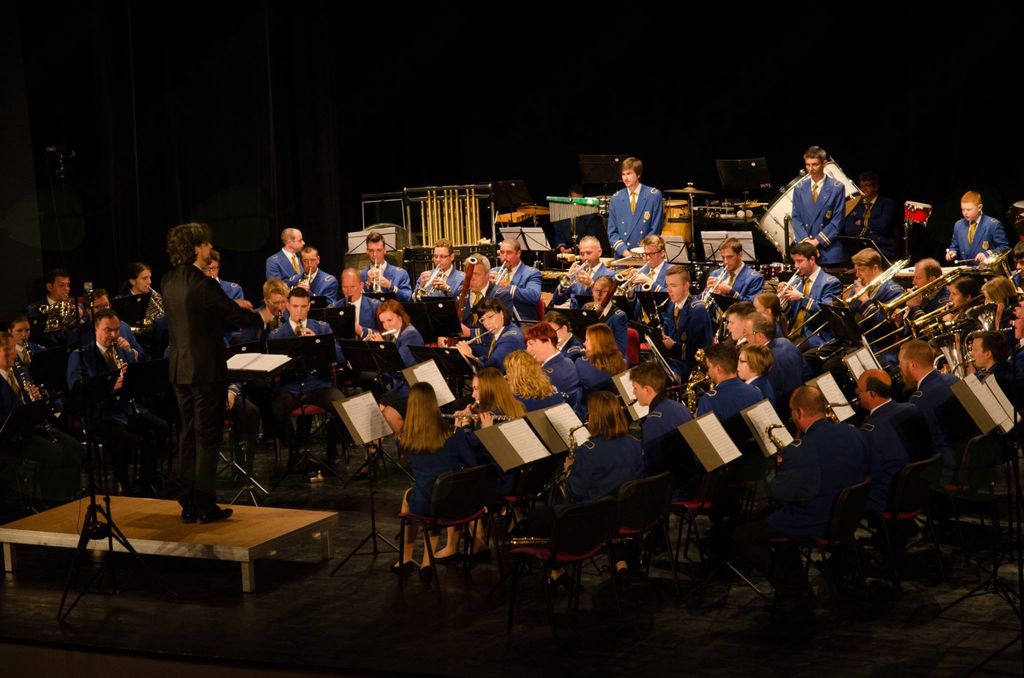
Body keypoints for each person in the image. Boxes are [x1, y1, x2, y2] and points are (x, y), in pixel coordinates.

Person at [162, 222, 270, 523]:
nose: (211, 247)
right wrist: (263, 315)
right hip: (205, 370)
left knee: (188, 435)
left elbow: (198, 318)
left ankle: (188, 503)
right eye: (207, 243)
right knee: (207, 437)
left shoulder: (168, 280)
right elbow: (233, 315)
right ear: (197, 247)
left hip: (179, 368)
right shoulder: (204, 284)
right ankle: (205, 505)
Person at [732, 387, 868, 612]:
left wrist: (774, 470)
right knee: (768, 518)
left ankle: (792, 589)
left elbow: (778, 494)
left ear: (800, 413)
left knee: (743, 535)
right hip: (847, 514)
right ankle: (795, 577)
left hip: (816, 519)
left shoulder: (801, 449)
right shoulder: (853, 433)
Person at [66, 308, 170, 497]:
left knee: (160, 427)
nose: (114, 335)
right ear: (96, 330)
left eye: (116, 330)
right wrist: (109, 388)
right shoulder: (81, 355)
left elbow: (142, 373)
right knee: (123, 439)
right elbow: (78, 392)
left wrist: (132, 356)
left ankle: (145, 479)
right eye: (108, 330)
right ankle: (122, 483)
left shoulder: (122, 350)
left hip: (126, 409)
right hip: (101, 414)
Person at [394, 382, 477, 578]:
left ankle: (405, 559)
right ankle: (427, 562)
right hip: (452, 503)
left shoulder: (404, 440)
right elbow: (471, 463)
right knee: (437, 495)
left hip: (426, 504)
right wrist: (461, 431)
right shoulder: (452, 435)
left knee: (412, 496)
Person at [0, 330, 81, 504]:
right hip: (12, 438)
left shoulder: (18, 371)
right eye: (7, 350)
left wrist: (35, 398)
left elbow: (30, 404)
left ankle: (72, 497)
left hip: (31, 428)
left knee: (73, 446)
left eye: (12, 348)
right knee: (53, 453)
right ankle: (53, 502)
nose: (13, 354)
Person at [267, 287, 345, 467]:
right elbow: (273, 370)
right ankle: (294, 449)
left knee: (341, 404)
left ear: (309, 306)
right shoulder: (276, 335)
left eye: (303, 307)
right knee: (277, 408)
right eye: (295, 306)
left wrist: (318, 342)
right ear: (288, 306)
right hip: (290, 387)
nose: (299, 311)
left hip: (318, 385)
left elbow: (340, 358)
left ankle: (332, 449)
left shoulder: (322, 328)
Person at [899, 339, 964, 485]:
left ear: (913, 365)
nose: (899, 368)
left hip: (948, 470)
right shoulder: (953, 379)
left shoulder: (918, 399)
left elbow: (923, 446)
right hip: (972, 455)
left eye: (900, 363)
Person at [631, 361, 696, 500]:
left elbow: (651, 467)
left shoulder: (654, 421)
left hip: (676, 489)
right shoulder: (679, 407)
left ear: (647, 390)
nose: (633, 393)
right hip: (693, 480)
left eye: (635, 388)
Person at [779, 241, 842, 347]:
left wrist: (802, 298)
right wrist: (784, 298)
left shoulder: (830, 283)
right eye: (794, 262)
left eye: (800, 261)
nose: (796, 266)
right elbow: (789, 313)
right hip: (793, 330)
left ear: (812, 259)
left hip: (814, 334)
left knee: (785, 351)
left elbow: (827, 312)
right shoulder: (796, 282)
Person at [790, 145, 845, 266]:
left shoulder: (837, 188)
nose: (811, 169)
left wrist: (815, 242)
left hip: (828, 249)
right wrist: (807, 244)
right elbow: (796, 217)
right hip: (805, 250)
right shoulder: (799, 188)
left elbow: (838, 221)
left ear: (824, 164)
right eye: (807, 165)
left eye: (815, 164)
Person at [659, 265, 712, 380]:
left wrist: (673, 345)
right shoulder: (671, 305)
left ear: (686, 286)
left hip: (691, 366)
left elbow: (700, 350)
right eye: (667, 286)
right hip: (673, 360)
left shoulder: (697, 310)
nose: (669, 290)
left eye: (674, 286)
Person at [607, 157, 663, 257]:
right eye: (623, 174)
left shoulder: (654, 195)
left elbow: (656, 228)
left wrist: (643, 250)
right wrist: (625, 252)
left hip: (647, 254)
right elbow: (612, 232)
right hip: (623, 255)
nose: (625, 178)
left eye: (629, 173)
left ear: (638, 174)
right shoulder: (616, 198)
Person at [696, 343, 763, 426]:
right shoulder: (755, 391)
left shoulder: (708, 401)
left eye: (709, 367)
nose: (707, 372)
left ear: (718, 369)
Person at [455, 298, 524, 374]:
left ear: (501, 314)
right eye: (482, 320)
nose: (487, 323)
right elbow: (488, 358)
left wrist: (469, 356)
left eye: (490, 317)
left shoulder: (510, 339)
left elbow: (491, 372)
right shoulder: (501, 331)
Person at [841, 171, 900, 259]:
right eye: (861, 186)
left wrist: (861, 222)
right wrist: (868, 231)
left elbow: (882, 224)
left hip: (882, 247)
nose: (863, 189)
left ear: (875, 187)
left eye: (867, 185)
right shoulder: (856, 204)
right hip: (860, 247)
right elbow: (849, 228)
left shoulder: (887, 203)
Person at [549, 235, 616, 309]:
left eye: (588, 253)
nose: (585, 257)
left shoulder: (611, 275)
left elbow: (607, 302)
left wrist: (592, 284)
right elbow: (557, 301)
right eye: (582, 254)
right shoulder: (576, 274)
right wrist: (565, 282)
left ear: (599, 252)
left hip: (597, 315)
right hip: (575, 314)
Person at [523, 323, 580, 408]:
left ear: (548, 341)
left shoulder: (546, 374)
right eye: (527, 346)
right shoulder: (567, 362)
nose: (528, 350)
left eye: (531, 344)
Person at [946, 190, 1009, 265]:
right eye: (963, 209)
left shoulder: (993, 225)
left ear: (979, 207)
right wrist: (952, 252)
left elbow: (1004, 248)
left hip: (986, 269)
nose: (965, 213)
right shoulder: (958, 225)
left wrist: (987, 253)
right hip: (965, 270)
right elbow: (954, 247)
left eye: (969, 209)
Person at [26, 268, 82, 348]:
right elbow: (41, 337)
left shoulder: (77, 307)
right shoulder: (34, 309)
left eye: (68, 285)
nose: (67, 289)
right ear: (49, 287)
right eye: (61, 285)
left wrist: (79, 319)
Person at [575, 324, 629, 406]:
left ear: (596, 344)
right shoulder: (622, 361)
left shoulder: (581, 364)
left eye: (587, 340)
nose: (584, 343)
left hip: (594, 409)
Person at [491, 238, 542, 321]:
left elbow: (534, 296)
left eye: (509, 253)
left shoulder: (531, 273)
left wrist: (507, 287)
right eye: (502, 252)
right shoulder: (494, 271)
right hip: (496, 321)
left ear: (518, 253)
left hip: (522, 322)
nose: (504, 257)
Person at [456, 254, 511, 330]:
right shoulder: (460, 292)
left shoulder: (501, 295)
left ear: (487, 275)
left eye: (476, 274)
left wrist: (469, 333)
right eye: (468, 274)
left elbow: (503, 329)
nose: (471, 278)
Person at [703, 237, 765, 303]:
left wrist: (730, 292)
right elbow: (702, 300)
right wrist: (706, 292)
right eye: (723, 257)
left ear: (740, 255)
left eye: (730, 257)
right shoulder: (715, 274)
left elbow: (752, 305)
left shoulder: (755, 278)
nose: (725, 261)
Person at [553, 183, 608, 252]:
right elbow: (558, 234)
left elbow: (590, 238)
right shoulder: (561, 214)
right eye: (575, 200)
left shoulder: (590, 216)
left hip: (584, 250)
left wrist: (573, 249)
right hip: (565, 250)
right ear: (569, 199)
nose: (577, 204)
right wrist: (562, 247)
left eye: (580, 200)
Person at [362, 230, 413, 301]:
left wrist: (390, 286)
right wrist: (367, 285)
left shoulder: (401, 274)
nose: (375, 254)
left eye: (379, 250)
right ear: (367, 251)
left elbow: (407, 298)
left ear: (385, 250)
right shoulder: (361, 275)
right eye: (371, 251)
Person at [586, 276, 629, 358]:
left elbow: (621, 349)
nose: (599, 295)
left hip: (609, 360)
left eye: (604, 291)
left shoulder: (619, 316)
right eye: (596, 290)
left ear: (611, 293)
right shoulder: (586, 308)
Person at [330, 268, 379, 338]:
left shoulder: (375, 306)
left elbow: (383, 334)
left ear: (361, 285)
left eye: (352, 287)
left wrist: (361, 331)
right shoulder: (333, 308)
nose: (349, 291)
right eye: (345, 287)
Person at [738, 343, 775, 408]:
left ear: (754, 365)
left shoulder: (753, 392)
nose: (738, 364)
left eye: (741, 361)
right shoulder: (762, 381)